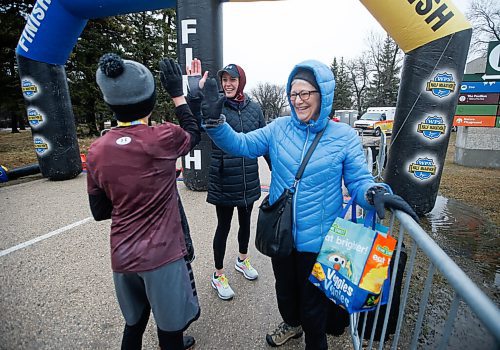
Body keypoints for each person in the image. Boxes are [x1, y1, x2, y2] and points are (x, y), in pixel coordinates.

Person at [199, 59, 419, 349]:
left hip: (319, 240)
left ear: (322, 95)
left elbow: (358, 179)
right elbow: (241, 144)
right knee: (285, 293)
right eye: (293, 94)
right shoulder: (278, 129)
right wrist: (215, 123)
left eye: (305, 94)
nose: (298, 101)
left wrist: (374, 192)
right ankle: (291, 324)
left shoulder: (343, 137)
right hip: (282, 232)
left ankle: (313, 339)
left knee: (314, 310)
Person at [86, 53, 200, 350]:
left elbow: (99, 211)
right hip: (162, 257)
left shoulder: (96, 150)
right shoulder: (163, 137)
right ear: (150, 101)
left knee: (134, 325)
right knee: (170, 333)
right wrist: (179, 93)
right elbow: (194, 131)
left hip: (122, 256)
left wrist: (129, 197)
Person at [186, 59, 270, 301]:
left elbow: (265, 142)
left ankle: (243, 260)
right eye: (225, 80)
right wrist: (194, 93)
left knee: (245, 224)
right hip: (223, 177)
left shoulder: (255, 108)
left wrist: (276, 168)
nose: (228, 84)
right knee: (223, 227)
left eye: (232, 79)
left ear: (241, 81)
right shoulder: (216, 105)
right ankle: (218, 274)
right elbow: (196, 122)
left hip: (248, 178)